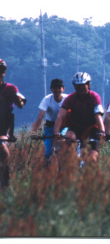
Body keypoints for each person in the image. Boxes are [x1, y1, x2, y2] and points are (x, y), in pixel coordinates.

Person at [53, 72, 105, 164]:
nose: (80, 89)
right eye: (77, 86)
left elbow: (98, 116)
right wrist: (56, 133)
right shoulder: (70, 98)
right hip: (75, 127)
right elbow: (60, 116)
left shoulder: (94, 97)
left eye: (83, 86)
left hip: (91, 128)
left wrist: (102, 132)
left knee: (92, 158)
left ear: (88, 85)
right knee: (69, 138)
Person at [0, 58, 26, 189]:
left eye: (1, 70)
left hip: (5, 126)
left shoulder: (10, 88)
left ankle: (5, 176)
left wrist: (20, 100)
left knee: (2, 147)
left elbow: (20, 104)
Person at [31, 79, 68, 167]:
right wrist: (34, 131)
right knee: (48, 152)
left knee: (63, 144)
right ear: (51, 89)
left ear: (63, 89)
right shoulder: (47, 99)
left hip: (64, 126)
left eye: (59, 87)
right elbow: (40, 116)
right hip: (50, 126)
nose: (57, 90)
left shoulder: (67, 99)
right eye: (55, 88)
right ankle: (46, 171)